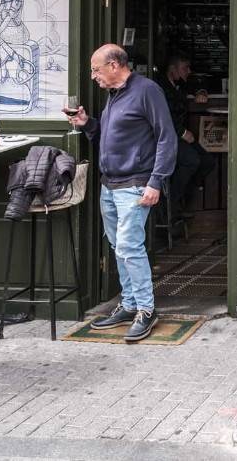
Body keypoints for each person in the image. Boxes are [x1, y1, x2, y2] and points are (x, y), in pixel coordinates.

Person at [68, 44, 176, 342]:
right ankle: (129, 304)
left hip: (136, 184)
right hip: (110, 184)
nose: (93, 76)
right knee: (119, 247)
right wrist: (87, 123)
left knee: (129, 246)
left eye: (96, 69)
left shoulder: (147, 91)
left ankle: (146, 308)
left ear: (114, 65)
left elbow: (167, 137)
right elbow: (109, 134)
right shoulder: (114, 96)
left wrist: (156, 182)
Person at [157, 54, 213, 220]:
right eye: (185, 68)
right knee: (192, 160)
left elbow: (199, 83)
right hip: (165, 139)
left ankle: (181, 195)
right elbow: (161, 116)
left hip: (180, 137)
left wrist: (201, 91)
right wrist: (182, 132)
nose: (189, 71)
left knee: (208, 161)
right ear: (173, 69)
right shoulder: (160, 87)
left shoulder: (179, 84)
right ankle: (168, 205)